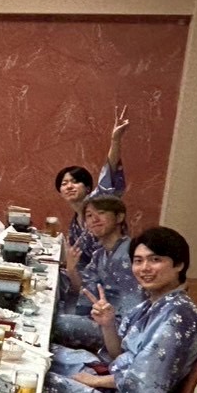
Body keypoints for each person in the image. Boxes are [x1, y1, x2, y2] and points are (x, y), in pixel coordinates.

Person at [44, 227, 197, 393]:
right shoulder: (153, 304)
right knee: (38, 353)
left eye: (155, 260)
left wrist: (94, 381)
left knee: (30, 380)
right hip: (112, 377)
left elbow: (144, 380)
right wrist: (108, 324)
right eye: (138, 261)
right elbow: (118, 354)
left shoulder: (178, 316)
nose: (144, 268)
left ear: (179, 264)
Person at [55, 106, 131, 313]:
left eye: (75, 181)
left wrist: (115, 140)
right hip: (89, 278)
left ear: (88, 188)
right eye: (64, 183)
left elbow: (109, 172)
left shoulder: (98, 201)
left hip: (108, 290)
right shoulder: (75, 222)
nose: (69, 186)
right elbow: (76, 260)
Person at [53, 195, 143, 351]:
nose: (94, 219)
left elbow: (134, 308)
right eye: (89, 215)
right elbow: (85, 290)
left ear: (119, 217)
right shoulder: (100, 254)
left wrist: (111, 327)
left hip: (115, 329)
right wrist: (71, 269)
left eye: (101, 213)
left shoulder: (128, 254)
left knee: (53, 323)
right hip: (98, 315)